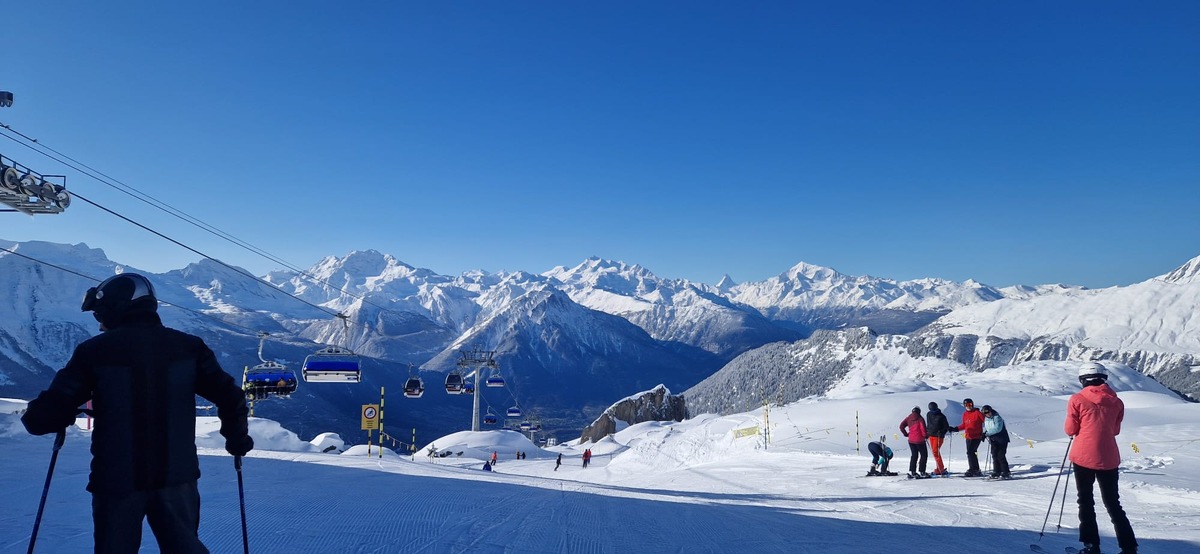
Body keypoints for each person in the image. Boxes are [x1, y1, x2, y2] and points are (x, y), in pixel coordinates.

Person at [21, 273, 252, 553]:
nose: (99, 324)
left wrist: (51, 414)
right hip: (177, 478)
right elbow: (231, 396)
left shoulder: (95, 351)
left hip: (116, 480)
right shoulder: (190, 347)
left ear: (114, 309)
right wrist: (236, 438)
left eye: (98, 314)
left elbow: (43, 417)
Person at [1066, 362, 1138, 554]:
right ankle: (1129, 548)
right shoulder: (1117, 402)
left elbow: (1070, 429)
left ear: (1083, 380)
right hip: (1109, 457)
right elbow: (1115, 430)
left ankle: (1091, 546)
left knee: (1086, 501)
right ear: (1104, 379)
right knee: (1113, 503)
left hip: (1083, 457)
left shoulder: (1077, 399)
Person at [951, 398, 986, 477]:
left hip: (977, 436)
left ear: (972, 404)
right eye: (966, 405)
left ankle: (974, 469)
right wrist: (955, 429)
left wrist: (986, 433)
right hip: (968, 436)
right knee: (971, 453)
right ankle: (974, 469)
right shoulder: (965, 414)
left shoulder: (977, 413)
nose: (968, 406)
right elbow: (964, 425)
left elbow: (986, 422)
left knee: (970, 452)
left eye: (970, 404)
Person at [981, 404, 1011, 480]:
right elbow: (989, 428)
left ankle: (1006, 472)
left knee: (1001, 455)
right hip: (994, 439)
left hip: (1002, 439)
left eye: (988, 412)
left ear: (991, 411)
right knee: (994, 455)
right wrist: (984, 433)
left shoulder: (997, 417)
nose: (987, 414)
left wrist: (987, 433)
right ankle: (996, 471)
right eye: (985, 413)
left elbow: (997, 428)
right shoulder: (986, 419)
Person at [900, 406, 930, 478]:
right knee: (924, 455)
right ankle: (922, 471)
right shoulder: (920, 418)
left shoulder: (908, 418)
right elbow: (922, 429)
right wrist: (925, 436)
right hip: (920, 440)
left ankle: (913, 471)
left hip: (911, 440)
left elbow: (901, 426)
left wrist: (905, 434)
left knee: (914, 455)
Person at [925, 401, 951, 476]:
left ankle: (940, 468)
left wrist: (942, 432)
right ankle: (939, 468)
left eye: (935, 410)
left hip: (939, 436)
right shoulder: (928, 414)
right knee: (934, 452)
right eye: (932, 410)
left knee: (935, 452)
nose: (934, 412)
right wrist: (926, 433)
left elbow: (946, 427)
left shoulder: (941, 416)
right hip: (931, 435)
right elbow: (928, 424)